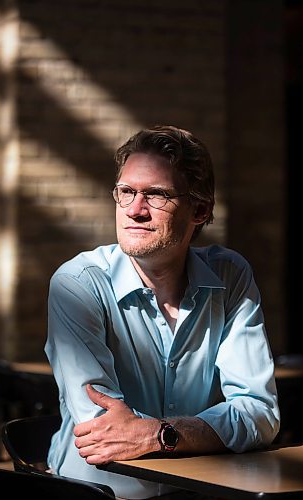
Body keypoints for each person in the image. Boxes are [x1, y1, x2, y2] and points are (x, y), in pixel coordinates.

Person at [44, 125, 280, 500]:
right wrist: (204, 431)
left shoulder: (230, 276)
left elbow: (259, 414)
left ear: (199, 210)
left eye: (156, 195)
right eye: (126, 192)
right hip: (99, 492)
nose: (135, 210)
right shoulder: (78, 284)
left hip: (204, 490)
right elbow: (104, 432)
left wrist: (158, 434)